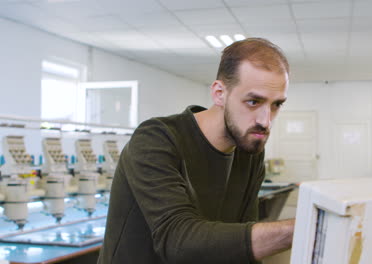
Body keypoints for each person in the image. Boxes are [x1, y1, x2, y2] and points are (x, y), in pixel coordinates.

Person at [98, 38, 294, 264]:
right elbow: (178, 241)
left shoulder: (249, 151)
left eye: (276, 104)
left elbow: (242, 248)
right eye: (253, 101)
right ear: (219, 93)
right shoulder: (155, 139)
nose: (266, 121)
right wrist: (299, 229)